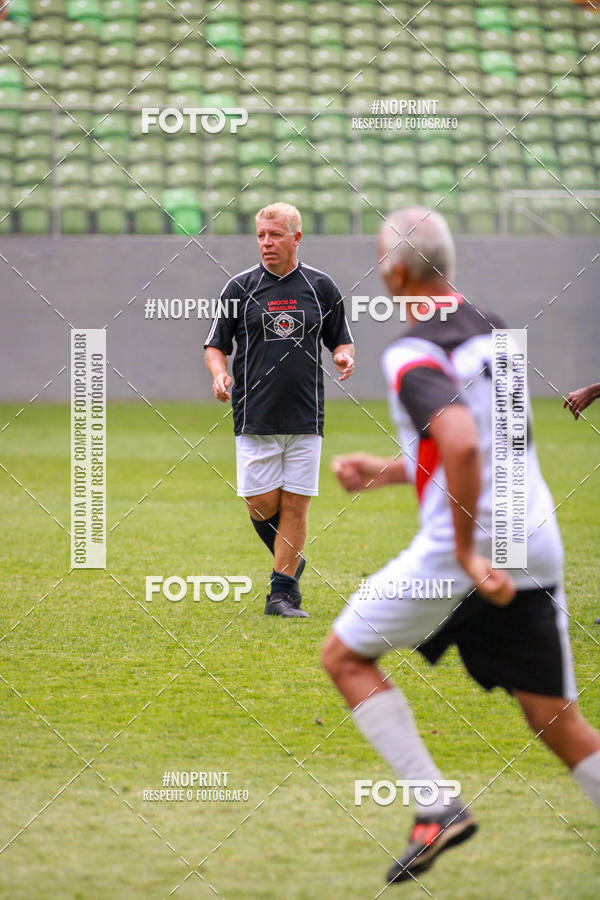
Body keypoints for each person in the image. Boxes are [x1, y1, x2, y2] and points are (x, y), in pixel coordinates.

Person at [321, 207, 600, 883]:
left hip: (461, 550)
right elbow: (489, 440)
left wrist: (472, 554)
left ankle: (435, 803)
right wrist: (389, 472)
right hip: (533, 541)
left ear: (394, 271)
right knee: (557, 722)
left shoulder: (412, 352)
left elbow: (464, 443)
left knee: (344, 655)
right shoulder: (495, 328)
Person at [204, 201, 354, 618]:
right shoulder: (240, 287)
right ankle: (290, 560)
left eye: (275, 235)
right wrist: (219, 374)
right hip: (255, 414)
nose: (266, 243)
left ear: (296, 238)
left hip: (306, 415)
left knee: (296, 505)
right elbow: (217, 345)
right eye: (261, 236)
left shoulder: (321, 287)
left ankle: (281, 593)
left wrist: (344, 357)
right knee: (262, 504)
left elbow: (340, 339)